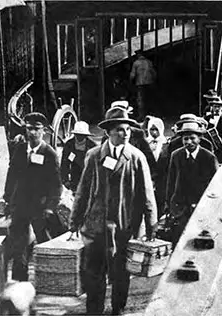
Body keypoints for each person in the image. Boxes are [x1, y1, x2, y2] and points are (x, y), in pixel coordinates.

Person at [70, 107, 157, 315]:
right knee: (94, 273)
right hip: (95, 226)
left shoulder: (136, 158)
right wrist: (74, 222)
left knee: (121, 274)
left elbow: (147, 195)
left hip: (124, 227)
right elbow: (82, 191)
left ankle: (118, 309)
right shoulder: (93, 156)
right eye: (119, 129)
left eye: (127, 129)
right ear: (108, 132)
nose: (125, 134)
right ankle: (94, 311)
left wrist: (151, 225)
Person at [2, 112, 62, 281]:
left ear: (44, 131)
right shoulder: (19, 149)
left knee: (44, 243)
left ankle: (50, 279)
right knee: (18, 246)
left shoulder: (49, 153)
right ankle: (20, 282)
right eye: (29, 129)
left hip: (39, 207)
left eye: (37, 129)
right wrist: (7, 198)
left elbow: (56, 184)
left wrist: (50, 207)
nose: (33, 133)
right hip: (19, 205)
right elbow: (11, 174)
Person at [166, 120, 218, 246]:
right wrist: (168, 206)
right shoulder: (176, 155)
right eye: (185, 139)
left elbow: (216, 186)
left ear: (200, 138)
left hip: (201, 207)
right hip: (179, 208)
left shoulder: (209, 158)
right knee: (178, 241)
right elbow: (171, 182)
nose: (189, 142)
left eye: (192, 138)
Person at [60, 121, 96, 192]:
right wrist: (65, 180)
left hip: (88, 177)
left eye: (82, 135)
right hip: (74, 177)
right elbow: (64, 163)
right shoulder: (69, 144)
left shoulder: (92, 146)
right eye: (78, 135)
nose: (80, 137)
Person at [146, 116, 170, 217]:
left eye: (156, 129)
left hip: (162, 179)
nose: (154, 132)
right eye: (152, 129)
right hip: (148, 178)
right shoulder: (144, 143)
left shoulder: (167, 144)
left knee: (161, 204)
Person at [204, 98, 222, 162]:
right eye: (215, 106)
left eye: (219, 107)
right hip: (209, 145)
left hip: (221, 146)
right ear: (212, 107)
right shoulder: (207, 118)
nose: (217, 108)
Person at [130, 50, 157, 120]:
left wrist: (130, 81)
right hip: (149, 83)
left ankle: (141, 116)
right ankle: (151, 115)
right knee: (150, 99)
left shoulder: (136, 63)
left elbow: (132, 75)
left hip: (140, 84)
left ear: (138, 55)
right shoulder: (149, 62)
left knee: (140, 101)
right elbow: (154, 73)